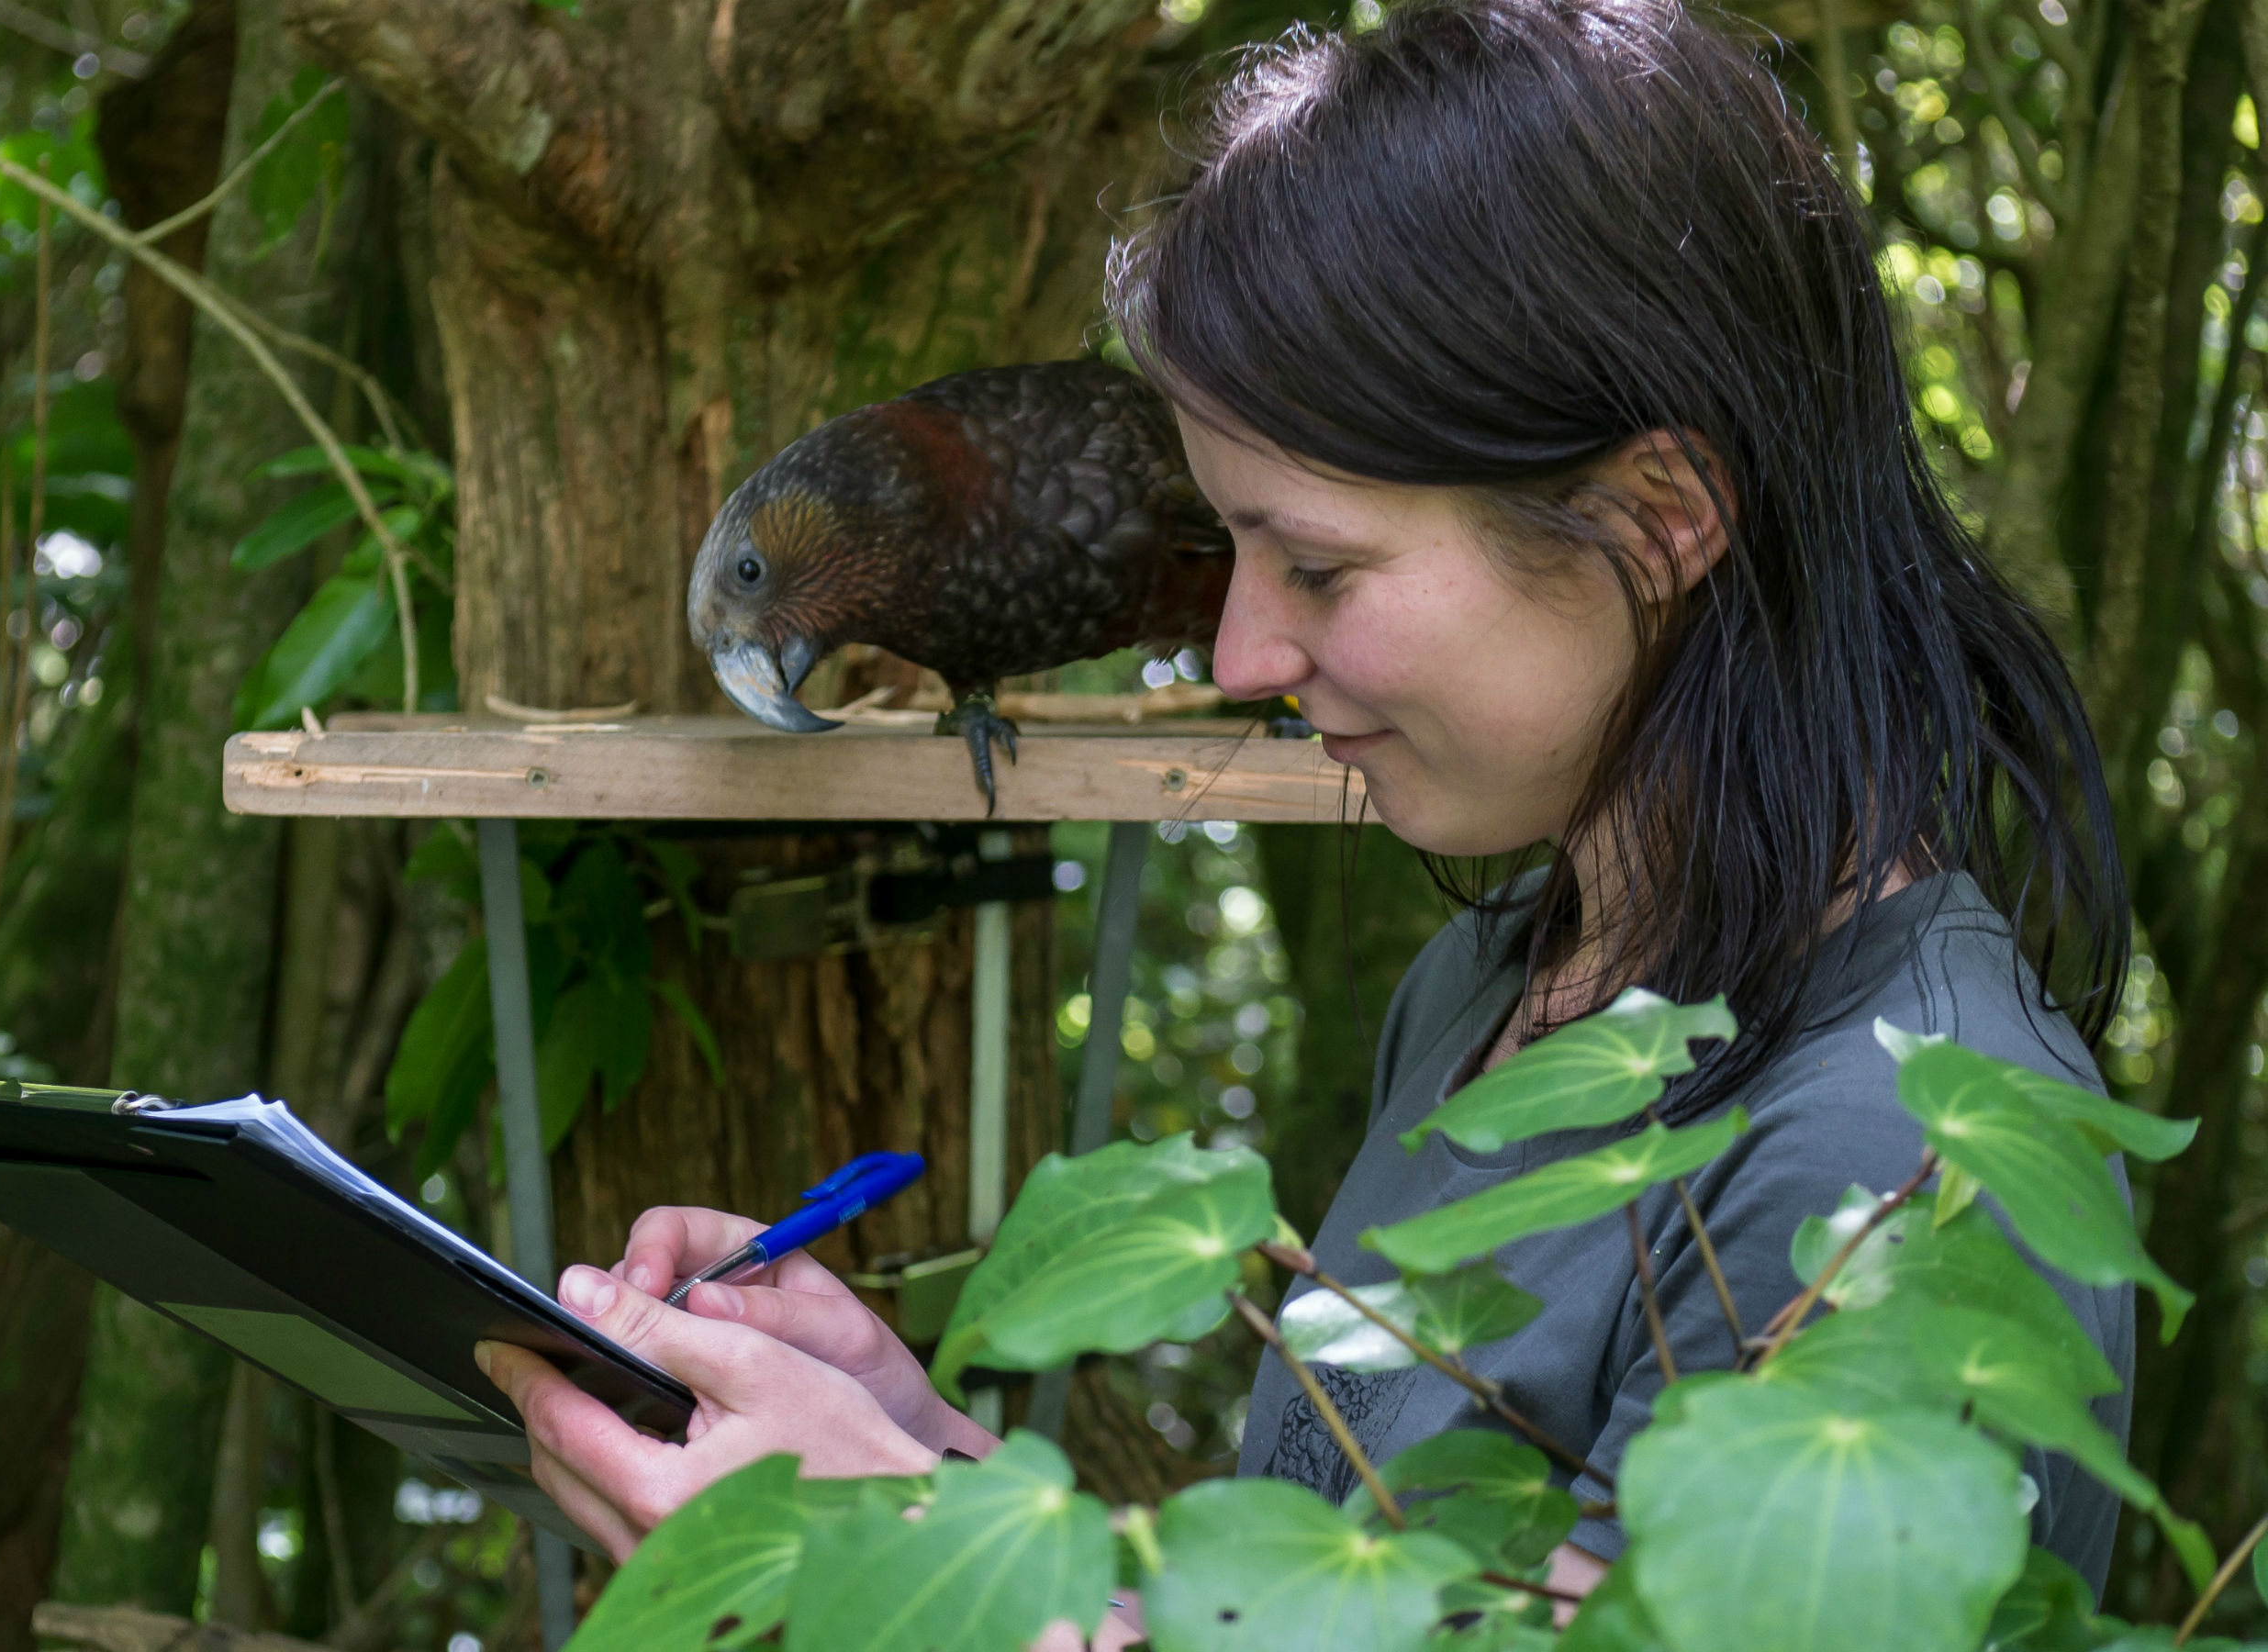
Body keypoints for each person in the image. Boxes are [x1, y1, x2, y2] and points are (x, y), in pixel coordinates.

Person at [473, 0, 2138, 1625]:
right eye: (1232, 550)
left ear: (1657, 515)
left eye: (1319, 564)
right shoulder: (1502, 983)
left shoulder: (1899, 1167)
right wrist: (931, 1479)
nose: (1246, 651)